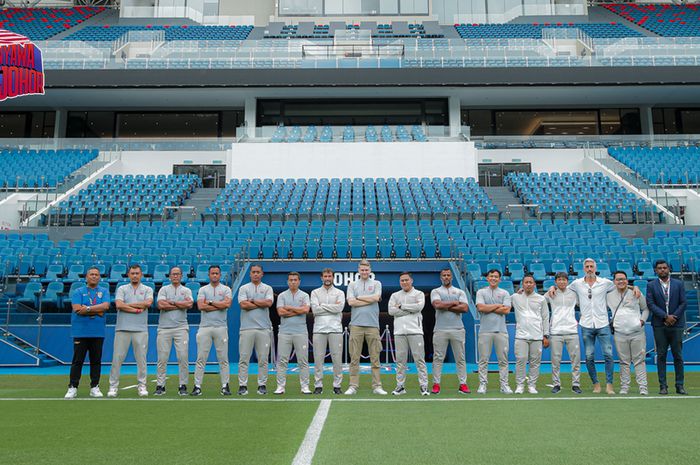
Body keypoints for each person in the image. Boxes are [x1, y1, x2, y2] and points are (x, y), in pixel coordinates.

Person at [548, 258, 640, 395]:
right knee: (589, 356)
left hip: (603, 324)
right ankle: (596, 383)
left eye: (592, 266)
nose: (589, 269)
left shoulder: (605, 283)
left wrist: (634, 287)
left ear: (595, 268)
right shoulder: (576, 284)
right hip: (586, 325)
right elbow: (562, 287)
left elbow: (620, 285)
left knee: (608, 355)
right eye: (587, 267)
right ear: (583, 268)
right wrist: (552, 286)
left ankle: (609, 384)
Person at [108, 264, 153, 398]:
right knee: (117, 359)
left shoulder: (147, 289)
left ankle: (142, 386)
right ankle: (113, 386)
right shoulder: (122, 288)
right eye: (132, 273)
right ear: (128, 274)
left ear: (141, 275)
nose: (134, 275)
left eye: (137, 273)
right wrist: (135, 309)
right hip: (122, 328)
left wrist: (126, 305)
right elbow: (118, 305)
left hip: (140, 329)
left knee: (141, 360)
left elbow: (147, 304)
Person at [65, 267, 110, 399]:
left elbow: (106, 307)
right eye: (91, 274)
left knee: (96, 361)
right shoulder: (78, 291)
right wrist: (97, 310)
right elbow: (77, 309)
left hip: (98, 332)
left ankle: (94, 387)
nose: (94, 276)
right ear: (86, 277)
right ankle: (73, 387)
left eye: (96, 274)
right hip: (80, 331)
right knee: (77, 361)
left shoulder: (104, 291)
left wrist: (88, 308)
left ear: (99, 277)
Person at [345, 259, 386, 395]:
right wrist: (370, 299)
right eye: (362, 270)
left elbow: (377, 298)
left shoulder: (376, 283)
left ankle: (377, 386)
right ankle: (353, 386)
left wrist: (360, 298)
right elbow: (351, 302)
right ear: (358, 270)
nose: (364, 272)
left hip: (373, 325)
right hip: (356, 325)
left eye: (366, 269)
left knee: (375, 358)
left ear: (370, 270)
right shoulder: (352, 284)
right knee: (354, 358)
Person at [646, 259, 687, 395]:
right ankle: (663, 386)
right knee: (661, 356)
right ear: (655, 270)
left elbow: (683, 303)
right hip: (660, 324)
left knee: (678, 356)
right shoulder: (651, 285)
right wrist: (665, 316)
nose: (662, 270)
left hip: (676, 324)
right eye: (659, 268)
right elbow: (650, 304)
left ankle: (679, 385)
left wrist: (673, 317)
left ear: (669, 269)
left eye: (664, 267)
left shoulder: (678, 284)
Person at [192, 265, 233, 396]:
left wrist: (209, 303)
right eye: (212, 273)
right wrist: (217, 304)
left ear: (220, 275)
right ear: (209, 275)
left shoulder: (226, 289)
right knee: (201, 358)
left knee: (223, 358)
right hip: (205, 327)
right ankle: (197, 386)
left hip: (221, 327)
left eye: (217, 273)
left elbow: (227, 305)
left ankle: (225, 385)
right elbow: (200, 306)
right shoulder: (203, 289)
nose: (214, 275)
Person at [607, 270, 650, 395]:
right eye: (618, 279)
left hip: (637, 332)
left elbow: (645, 308)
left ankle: (643, 387)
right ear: (614, 281)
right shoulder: (608, 295)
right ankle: (624, 387)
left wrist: (642, 321)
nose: (621, 281)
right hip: (619, 333)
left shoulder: (635, 292)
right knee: (623, 361)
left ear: (627, 280)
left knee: (639, 360)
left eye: (623, 279)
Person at [430, 268, 470, 395]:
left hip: (458, 329)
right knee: (438, 358)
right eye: (444, 275)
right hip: (440, 329)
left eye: (448, 275)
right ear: (440, 277)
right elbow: (437, 305)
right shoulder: (435, 291)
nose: (446, 277)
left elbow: (464, 308)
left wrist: (445, 305)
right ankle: (436, 384)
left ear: (451, 277)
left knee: (460, 358)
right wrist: (454, 303)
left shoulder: (460, 291)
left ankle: (463, 384)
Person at [388, 272, 428, 396]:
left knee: (419, 359)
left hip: (415, 331)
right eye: (402, 280)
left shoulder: (419, 294)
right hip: (399, 332)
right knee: (400, 361)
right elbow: (391, 311)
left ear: (411, 280)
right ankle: (400, 386)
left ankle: (424, 386)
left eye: (406, 280)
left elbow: (419, 307)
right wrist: (409, 310)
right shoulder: (395, 295)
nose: (404, 282)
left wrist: (401, 306)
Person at [155, 266, 193, 397]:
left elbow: (189, 305)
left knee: (183, 357)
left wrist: (171, 303)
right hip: (164, 328)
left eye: (177, 274)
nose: (175, 276)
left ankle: (183, 385)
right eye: (173, 274)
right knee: (162, 358)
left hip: (181, 328)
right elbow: (160, 305)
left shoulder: (186, 290)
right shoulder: (164, 289)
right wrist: (179, 304)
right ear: (170, 276)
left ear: (181, 276)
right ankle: (160, 385)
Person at [237, 264, 274, 395]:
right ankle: (242, 385)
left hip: (263, 328)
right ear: (250, 274)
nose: (256, 274)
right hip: (246, 328)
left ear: (262, 274)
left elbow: (268, 303)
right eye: (253, 272)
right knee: (244, 358)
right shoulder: (243, 288)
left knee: (263, 359)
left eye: (258, 272)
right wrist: (259, 302)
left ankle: (262, 384)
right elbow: (243, 305)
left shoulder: (267, 288)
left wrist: (252, 301)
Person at [475, 269, 512, 394]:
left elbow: (506, 311)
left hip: (501, 331)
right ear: (487, 278)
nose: (493, 278)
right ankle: (482, 385)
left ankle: (504, 385)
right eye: (491, 276)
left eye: (496, 277)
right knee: (483, 360)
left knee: (503, 360)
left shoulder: (505, 293)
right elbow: (480, 307)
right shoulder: (481, 292)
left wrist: (488, 307)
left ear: (499, 279)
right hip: (485, 331)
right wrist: (498, 305)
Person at [511, 274, 549, 394]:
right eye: (526, 282)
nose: (528, 284)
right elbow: (504, 301)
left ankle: (532, 385)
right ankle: (520, 385)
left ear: (534, 284)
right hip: (521, 336)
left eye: (530, 282)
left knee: (535, 362)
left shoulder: (541, 299)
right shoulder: (515, 297)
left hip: (537, 336)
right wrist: (517, 292)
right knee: (520, 360)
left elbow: (545, 317)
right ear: (522, 284)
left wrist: (545, 335)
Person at [275, 272, 311, 395]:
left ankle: (305, 386)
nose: (293, 282)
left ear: (299, 281)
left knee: (303, 360)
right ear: (287, 281)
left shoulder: (305, 295)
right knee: (282, 360)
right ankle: (280, 386)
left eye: (295, 280)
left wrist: (289, 308)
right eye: (291, 280)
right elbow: (280, 312)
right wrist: (298, 310)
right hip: (285, 332)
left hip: (301, 332)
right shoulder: (282, 295)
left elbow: (306, 310)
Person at [545, 272, 582, 394]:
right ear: (555, 281)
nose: (561, 282)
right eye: (559, 280)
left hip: (572, 331)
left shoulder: (574, 293)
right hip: (555, 331)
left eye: (564, 280)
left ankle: (575, 384)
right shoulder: (551, 293)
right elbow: (537, 301)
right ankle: (556, 384)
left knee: (575, 360)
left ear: (567, 281)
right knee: (555, 360)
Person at [310, 268, 345, 395]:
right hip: (319, 329)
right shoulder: (315, 292)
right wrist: (332, 307)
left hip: (335, 329)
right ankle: (318, 385)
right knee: (318, 359)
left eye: (329, 276)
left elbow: (340, 308)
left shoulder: (340, 292)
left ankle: (337, 385)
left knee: (337, 359)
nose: (327, 278)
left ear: (333, 277)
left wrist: (322, 305)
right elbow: (315, 310)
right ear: (322, 278)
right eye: (325, 276)